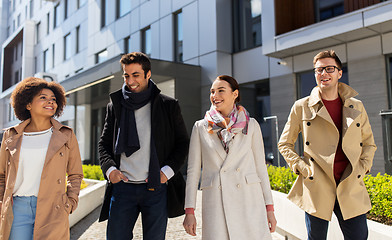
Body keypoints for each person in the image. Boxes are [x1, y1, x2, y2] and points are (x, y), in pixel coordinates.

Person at [278, 50, 377, 240]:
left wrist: (362, 168)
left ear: (339, 73)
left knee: (359, 237)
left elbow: (369, 144)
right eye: (319, 70)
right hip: (317, 184)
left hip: (349, 184)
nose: (324, 73)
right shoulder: (302, 106)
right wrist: (302, 168)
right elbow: (285, 143)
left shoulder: (356, 106)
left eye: (329, 68)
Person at [98, 52, 189, 240]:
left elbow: (182, 143)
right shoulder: (115, 106)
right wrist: (110, 171)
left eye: (136, 75)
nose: (130, 80)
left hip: (155, 187)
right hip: (123, 188)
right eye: (126, 75)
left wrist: (166, 172)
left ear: (148, 74)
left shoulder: (168, 105)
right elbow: (104, 144)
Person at [183, 75, 277, 239]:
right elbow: (193, 172)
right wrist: (189, 211)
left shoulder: (251, 125)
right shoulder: (201, 126)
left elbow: (261, 168)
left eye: (221, 90)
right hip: (216, 204)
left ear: (235, 94)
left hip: (249, 201)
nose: (215, 96)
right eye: (212, 91)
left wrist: (269, 209)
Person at [0, 77, 83, 240]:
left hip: (53, 208)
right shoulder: (11, 135)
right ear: (28, 104)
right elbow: (1, 174)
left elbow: (75, 174)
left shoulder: (66, 135)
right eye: (43, 98)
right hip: (17, 208)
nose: (50, 102)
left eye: (53, 99)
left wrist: (70, 202)